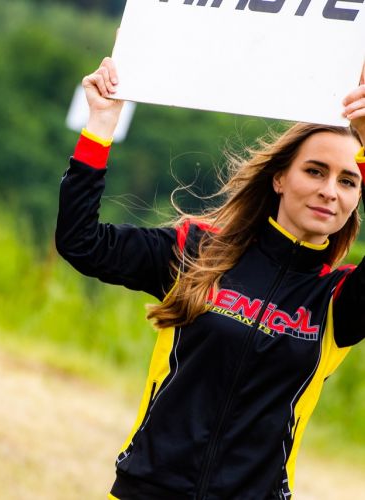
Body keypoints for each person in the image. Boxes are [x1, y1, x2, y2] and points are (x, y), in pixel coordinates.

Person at [55, 57, 365, 499]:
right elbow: (81, 242)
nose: (329, 190)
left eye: (349, 181)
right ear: (279, 178)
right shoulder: (198, 251)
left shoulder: (338, 300)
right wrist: (100, 124)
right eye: (315, 171)